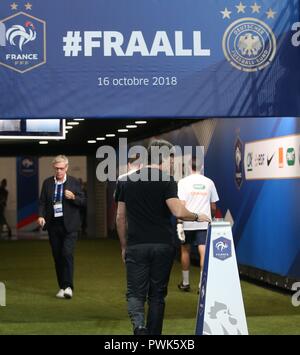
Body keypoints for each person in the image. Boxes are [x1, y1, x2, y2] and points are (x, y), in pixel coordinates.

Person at [116, 140, 210, 335]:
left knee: (135, 293)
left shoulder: (126, 181)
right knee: (157, 295)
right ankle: (154, 337)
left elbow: (120, 217)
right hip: (162, 245)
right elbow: (177, 210)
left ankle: (140, 328)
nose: (172, 164)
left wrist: (124, 245)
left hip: (136, 244)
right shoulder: (167, 180)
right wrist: (196, 216)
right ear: (164, 158)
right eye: (171, 160)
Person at [37, 155, 86, 299]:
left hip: (70, 226)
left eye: (62, 168)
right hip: (53, 225)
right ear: (54, 167)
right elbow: (42, 202)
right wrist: (41, 216)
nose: (59, 171)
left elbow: (83, 201)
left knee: (67, 253)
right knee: (57, 256)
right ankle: (62, 286)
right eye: (57, 168)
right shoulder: (47, 183)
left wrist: (74, 198)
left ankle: (69, 286)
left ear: (67, 168)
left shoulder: (74, 182)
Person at [177, 158, 219, 293]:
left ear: (189, 167)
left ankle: (185, 282)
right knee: (204, 253)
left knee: (185, 251)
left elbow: (181, 205)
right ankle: (202, 285)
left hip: (187, 222)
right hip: (204, 223)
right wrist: (208, 216)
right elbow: (213, 206)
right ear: (202, 167)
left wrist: (179, 223)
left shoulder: (183, 182)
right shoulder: (209, 182)